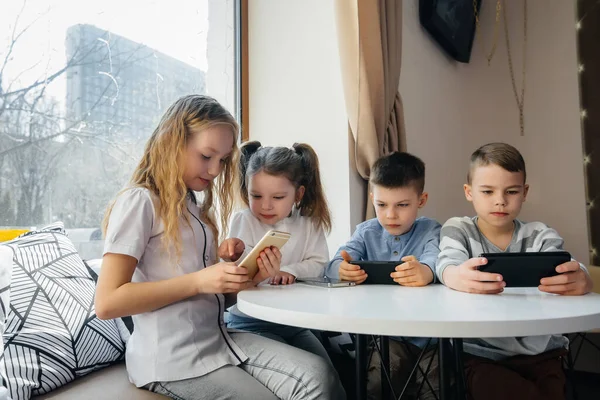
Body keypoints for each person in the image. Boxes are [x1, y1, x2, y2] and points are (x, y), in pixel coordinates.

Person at [95, 95, 345, 400]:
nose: (215, 170)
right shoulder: (140, 202)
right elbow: (107, 303)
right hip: (173, 359)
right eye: (206, 156)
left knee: (320, 376)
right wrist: (200, 281)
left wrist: (244, 276)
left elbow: (214, 300)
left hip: (218, 338)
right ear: (172, 142)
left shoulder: (195, 210)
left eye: (223, 160)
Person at [437, 142, 593, 400]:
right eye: (487, 191)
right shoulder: (459, 229)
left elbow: (570, 266)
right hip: (480, 351)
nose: (500, 200)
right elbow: (446, 264)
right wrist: (454, 275)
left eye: (511, 191)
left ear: (525, 192)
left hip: (542, 351)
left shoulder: (540, 234)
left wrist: (583, 278)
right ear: (469, 192)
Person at [326, 151, 441, 400]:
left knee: (435, 385)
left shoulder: (431, 230)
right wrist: (341, 269)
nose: (390, 215)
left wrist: (426, 271)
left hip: (431, 336)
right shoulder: (366, 232)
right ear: (372, 198)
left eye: (402, 205)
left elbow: (436, 259)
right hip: (385, 336)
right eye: (381, 205)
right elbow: (335, 261)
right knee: (379, 383)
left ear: (421, 200)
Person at [224, 141, 335, 365]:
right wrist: (233, 256)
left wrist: (290, 271)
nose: (265, 206)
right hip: (249, 320)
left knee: (328, 368)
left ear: (298, 194)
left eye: (277, 198)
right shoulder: (244, 220)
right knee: (309, 368)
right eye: (256, 196)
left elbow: (320, 264)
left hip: (294, 322)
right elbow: (236, 274)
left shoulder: (309, 224)